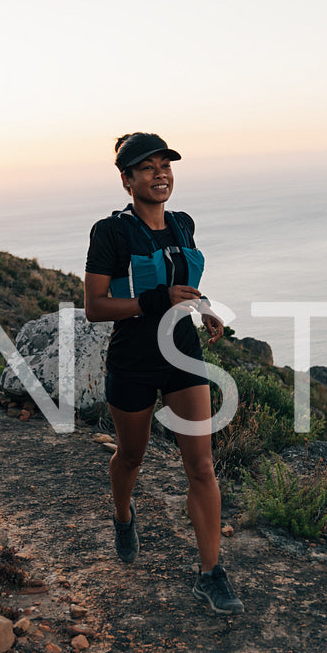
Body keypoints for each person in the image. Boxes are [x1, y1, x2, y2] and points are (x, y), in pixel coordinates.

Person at [83, 133, 243, 614]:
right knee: (131, 456)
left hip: (183, 357)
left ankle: (210, 573)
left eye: (165, 165)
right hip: (133, 361)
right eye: (147, 168)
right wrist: (155, 301)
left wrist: (206, 308)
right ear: (126, 179)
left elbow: (183, 283)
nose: (160, 174)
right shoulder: (110, 233)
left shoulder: (183, 224)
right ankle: (123, 514)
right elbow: (95, 307)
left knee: (201, 464)